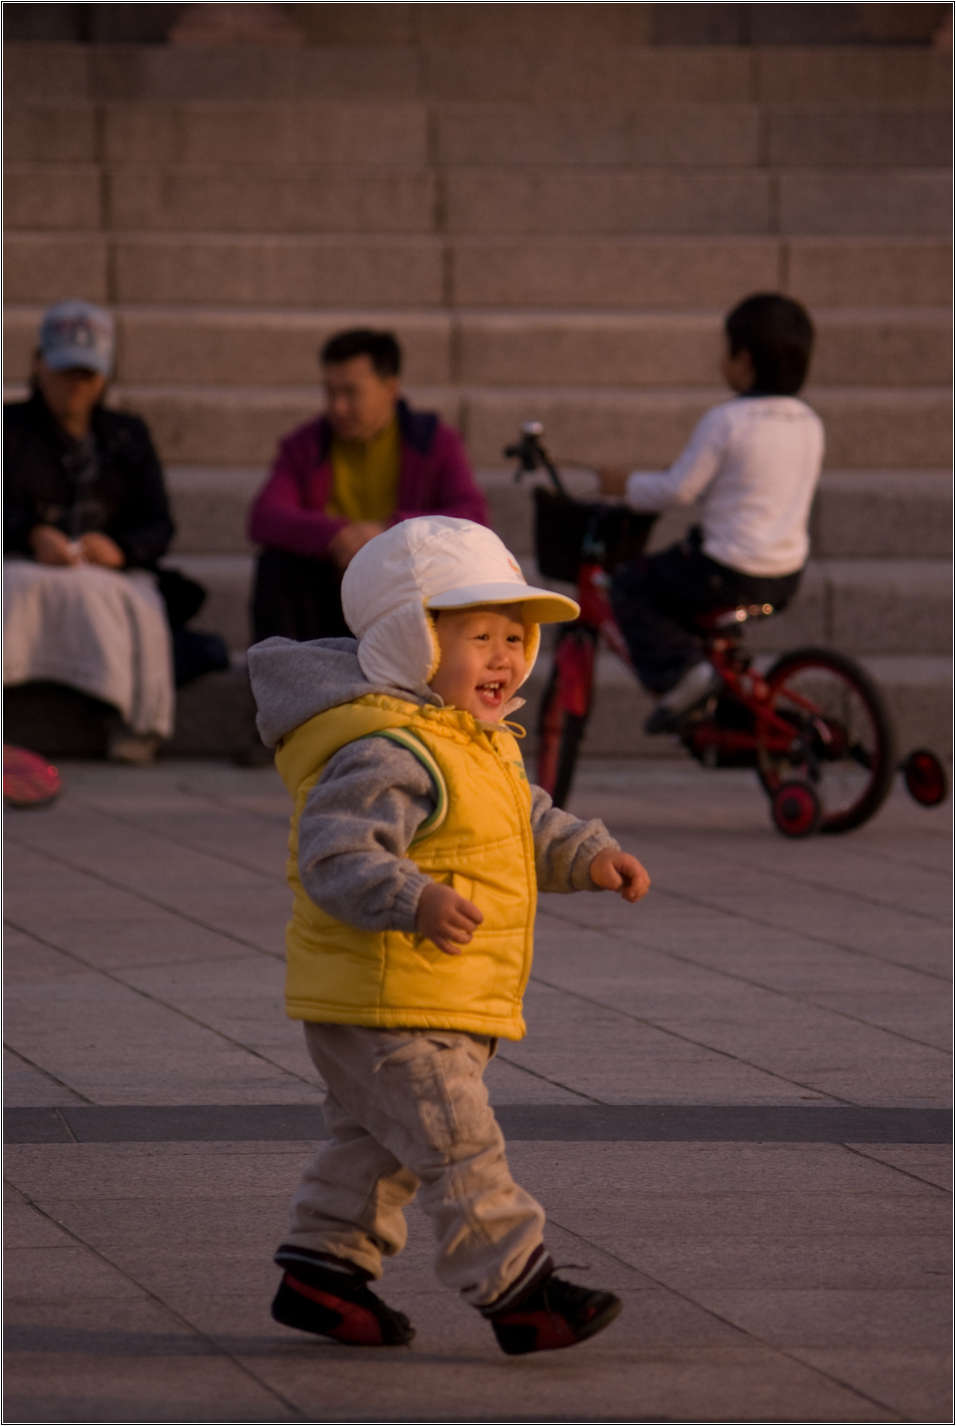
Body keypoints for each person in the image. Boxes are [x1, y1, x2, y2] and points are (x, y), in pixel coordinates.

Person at [247, 515, 651, 1356]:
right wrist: (414, 898)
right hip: (388, 998)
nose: (505, 656)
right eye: (479, 635)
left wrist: (592, 854)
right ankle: (519, 1290)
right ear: (412, 645)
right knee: (460, 1143)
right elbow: (337, 852)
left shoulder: (475, 742)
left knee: (383, 1145)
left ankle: (321, 1272)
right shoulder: (387, 749)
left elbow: (526, 820)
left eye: (516, 636)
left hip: (431, 993)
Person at [3, 300, 228, 763]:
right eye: (65, 371)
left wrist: (120, 550)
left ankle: (135, 721)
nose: (75, 386)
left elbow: (158, 525)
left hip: (108, 576)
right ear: (38, 364)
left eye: (86, 374)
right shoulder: (11, 429)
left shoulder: (127, 435)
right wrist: (30, 535)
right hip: (26, 568)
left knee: (130, 604)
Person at [598, 292, 825, 734]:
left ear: (745, 360)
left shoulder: (727, 421)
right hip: (784, 574)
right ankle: (721, 683)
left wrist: (621, 485)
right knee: (687, 574)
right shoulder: (809, 422)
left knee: (628, 586)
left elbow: (678, 490)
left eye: (727, 350)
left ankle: (684, 677)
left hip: (726, 570)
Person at [247, 328, 489, 643]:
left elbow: (472, 516)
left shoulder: (434, 443)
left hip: (406, 587)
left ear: (390, 389)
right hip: (330, 581)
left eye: (350, 392)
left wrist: (389, 534)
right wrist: (335, 535)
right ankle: (286, 679)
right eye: (331, 393)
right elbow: (265, 516)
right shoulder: (306, 444)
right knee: (276, 565)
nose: (338, 407)